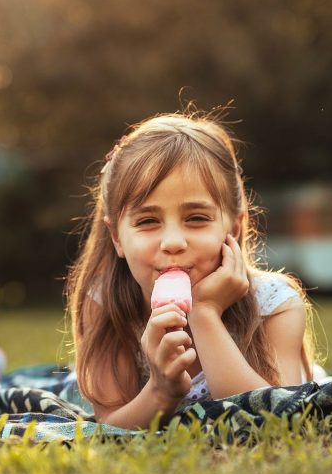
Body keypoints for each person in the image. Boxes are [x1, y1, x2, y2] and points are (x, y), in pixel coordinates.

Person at [66, 110, 316, 429]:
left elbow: (275, 420)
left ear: (234, 228)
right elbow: (110, 426)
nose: (172, 242)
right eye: (147, 221)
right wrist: (161, 391)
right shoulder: (106, 304)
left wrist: (204, 314)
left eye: (196, 218)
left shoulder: (275, 304)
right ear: (116, 237)